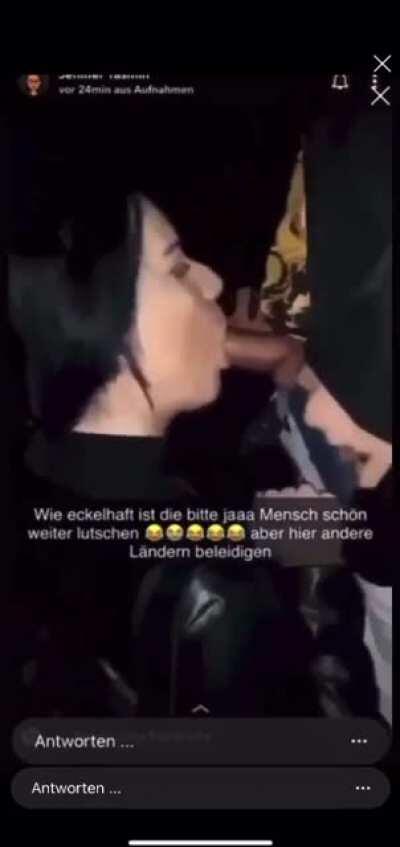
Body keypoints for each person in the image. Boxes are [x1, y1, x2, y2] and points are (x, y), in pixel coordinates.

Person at [7, 192, 326, 720]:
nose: (213, 283)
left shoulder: (35, 472)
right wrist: (319, 579)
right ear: (100, 317)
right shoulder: (214, 590)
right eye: (178, 269)